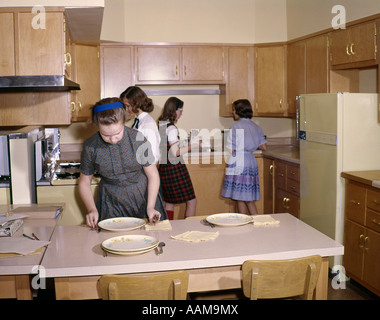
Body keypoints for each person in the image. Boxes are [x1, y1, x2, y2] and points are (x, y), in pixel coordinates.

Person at [78, 97, 167, 228]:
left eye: (117, 133)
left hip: (143, 197)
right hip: (110, 201)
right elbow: (84, 182)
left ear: (124, 122)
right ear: (97, 127)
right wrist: (91, 209)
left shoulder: (138, 139)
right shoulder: (90, 146)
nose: (113, 140)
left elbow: (153, 175)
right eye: (106, 135)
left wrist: (151, 206)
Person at [221, 99, 267, 215]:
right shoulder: (257, 127)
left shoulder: (236, 127)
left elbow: (231, 149)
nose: (233, 113)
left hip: (239, 161)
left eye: (234, 110)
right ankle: (256, 223)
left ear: (238, 111)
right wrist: (251, 145)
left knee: (240, 197)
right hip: (251, 161)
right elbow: (264, 146)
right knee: (247, 197)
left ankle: (246, 223)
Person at [158, 97, 197, 219]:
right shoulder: (172, 128)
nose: (181, 114)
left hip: (164, 168)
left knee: (170, 202)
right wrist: (194, 145)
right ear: (174, 110)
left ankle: (169, 227)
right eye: (180, 110)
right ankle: (188, 228)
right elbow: (176, 153)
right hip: (175, 168)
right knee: (192, 201)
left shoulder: (162, 125)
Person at [120, 86, 160, 164]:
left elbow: (153, 156)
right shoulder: (138, 121)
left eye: (128, 106)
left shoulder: (148, 124)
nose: (126, 109)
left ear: (136, 103)